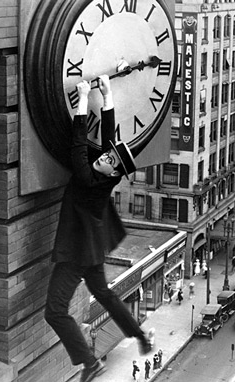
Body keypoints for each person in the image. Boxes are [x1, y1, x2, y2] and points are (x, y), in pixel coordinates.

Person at [44, 76, 154, 382]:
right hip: (91, 247)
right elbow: (109, 143)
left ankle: (90, 363)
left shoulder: (89, 179)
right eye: (105, 156)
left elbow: (78, 146)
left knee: (54, 311)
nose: (102, 157)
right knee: (103, 293)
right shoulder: (106, 176)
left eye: (107, 160)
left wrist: (82, 99)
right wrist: (107, 97)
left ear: (113, 172)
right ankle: (140, 335)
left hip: (77, 252)